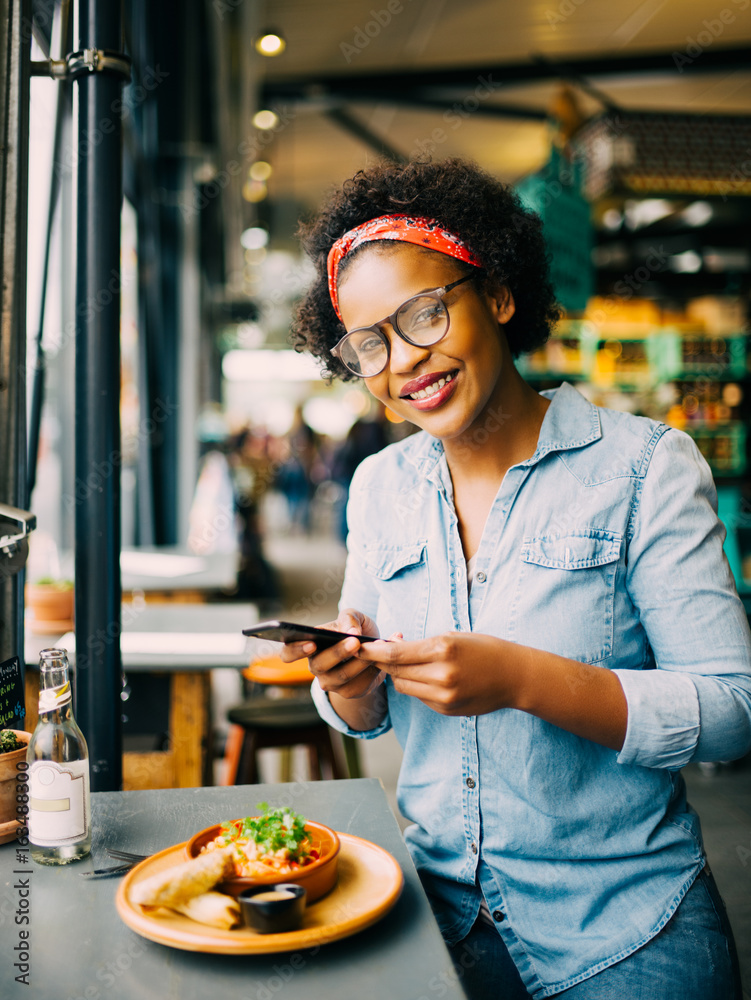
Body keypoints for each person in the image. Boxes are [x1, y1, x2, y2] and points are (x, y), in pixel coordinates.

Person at [284, 158, 751, 999]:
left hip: (624, 935)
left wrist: (521, 679)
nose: (404, 361)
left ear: (495, 295)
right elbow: (366, 711)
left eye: (424, 314)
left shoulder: (642, 467)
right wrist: (348, 684)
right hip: (435, 926)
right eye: (368, 344)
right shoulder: (379, 489)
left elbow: (731, 712)